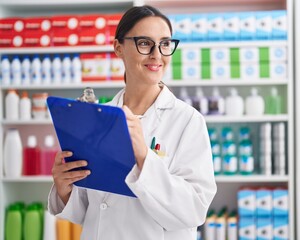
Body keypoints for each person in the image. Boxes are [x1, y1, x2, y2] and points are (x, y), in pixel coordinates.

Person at [48, 5, 217, 240]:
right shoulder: (98, 117)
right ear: (119, 48)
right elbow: (89, 209)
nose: (157, 55)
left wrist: (143, 156)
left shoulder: (187, 121)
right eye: (145, 43)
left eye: (165, 44)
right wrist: (65, 187)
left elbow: (195, 209)